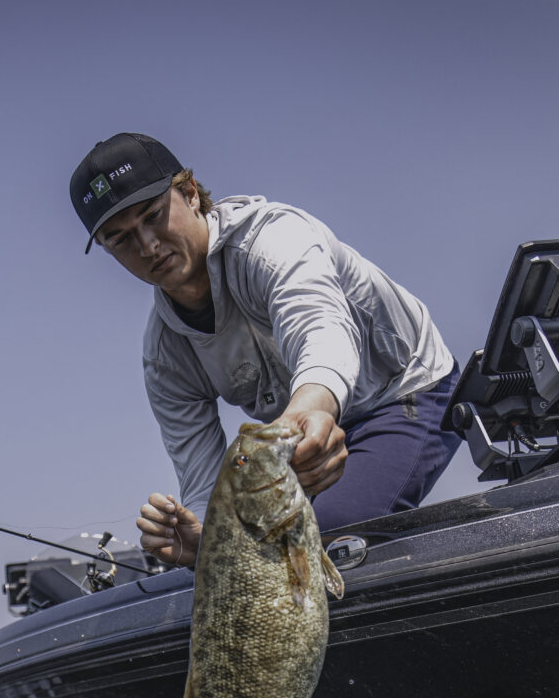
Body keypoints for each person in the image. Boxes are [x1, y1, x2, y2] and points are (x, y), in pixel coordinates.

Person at [70, 132, 461, 567]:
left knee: (326, 541)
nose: (147, 246)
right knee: (241, 564)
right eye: (120, 239)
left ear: (191, 194)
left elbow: (320, 328)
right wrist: (205, 534)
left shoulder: (273, 241)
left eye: (153, 216)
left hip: (403, 392)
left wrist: (312, 409)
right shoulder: (165, 355)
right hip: (300, 437)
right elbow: (200, 479)